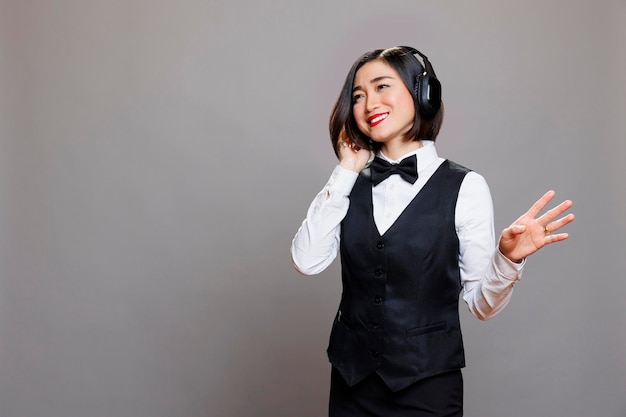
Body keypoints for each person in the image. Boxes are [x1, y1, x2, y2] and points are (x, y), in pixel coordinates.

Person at [290, 46, 574, 417]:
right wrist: (345, 170)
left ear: (424, 94)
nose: (368, 103)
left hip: (427, 389)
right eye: (358, 95)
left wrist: (507, 259)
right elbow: (307, 262)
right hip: (351, 385)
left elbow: (481, 306)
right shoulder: (346, 185)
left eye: (381, 87)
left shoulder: (465, 186)